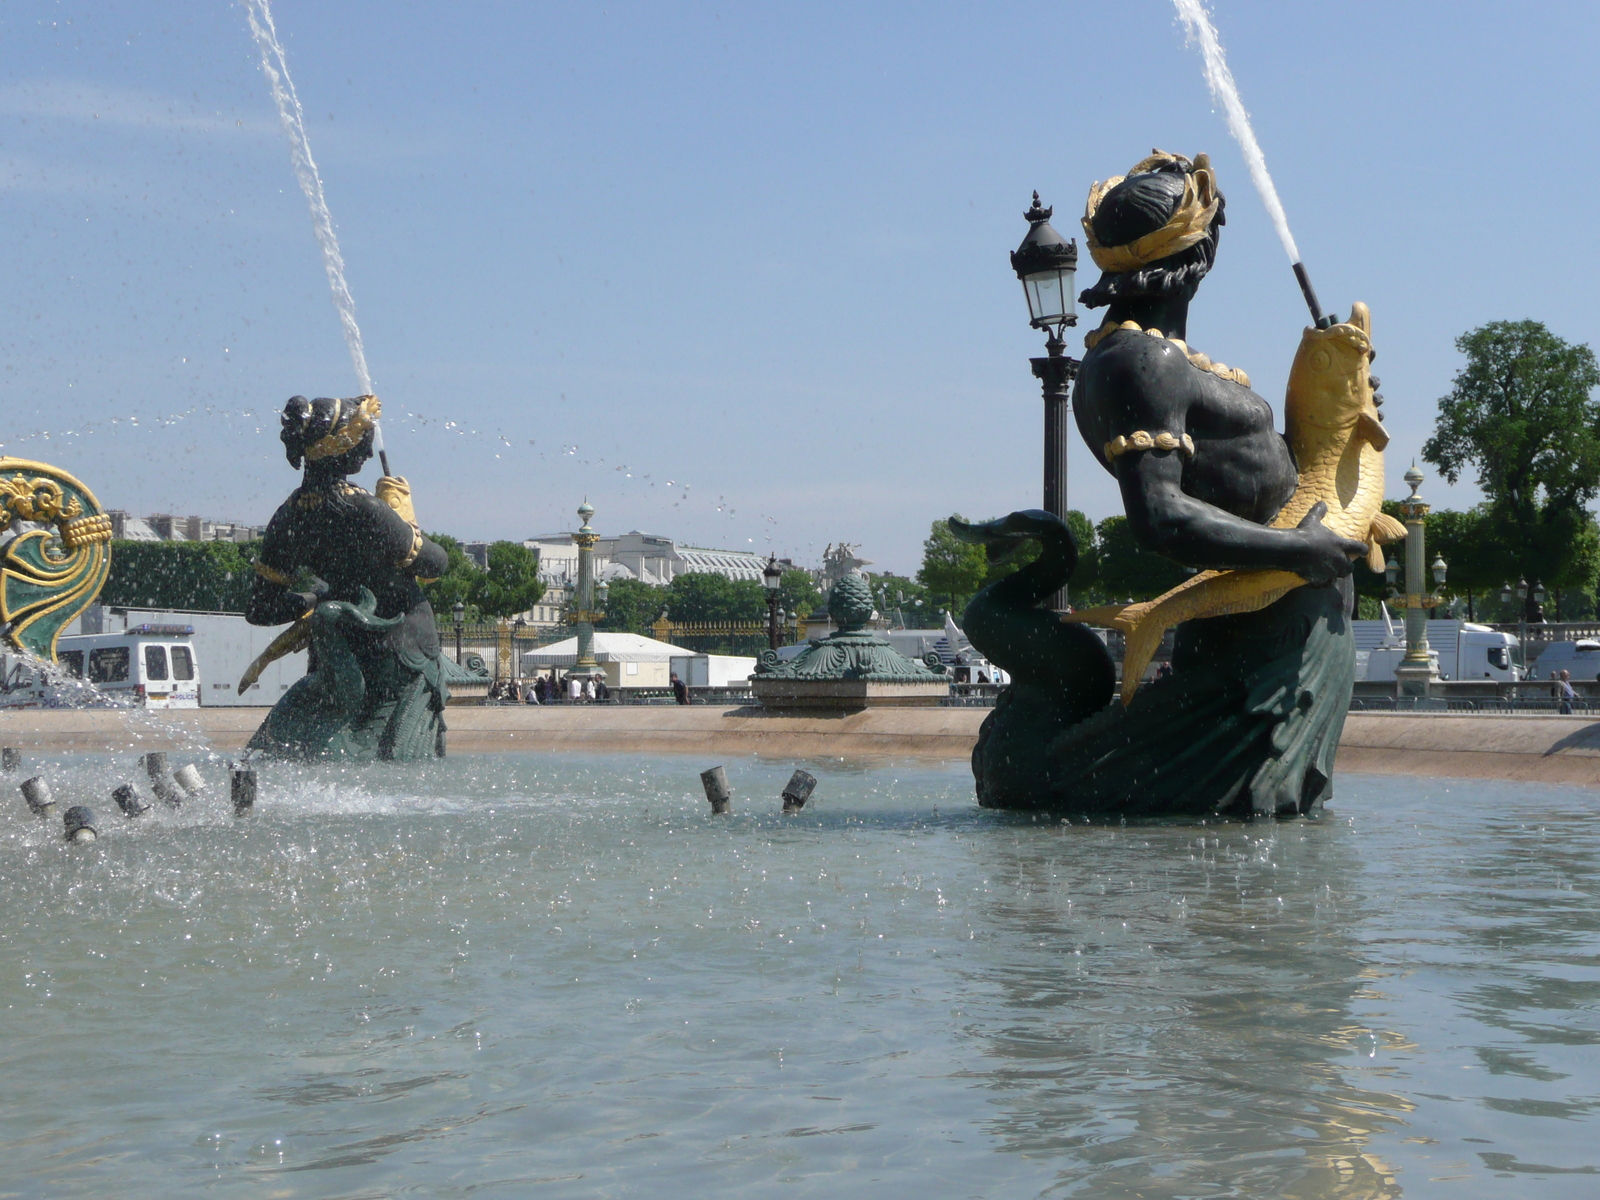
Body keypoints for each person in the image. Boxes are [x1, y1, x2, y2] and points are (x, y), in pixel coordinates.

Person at [956, 150, 1372, 818]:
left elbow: (1251, 476)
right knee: (1237, 834)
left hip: (1270, 629)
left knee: (1256, 834)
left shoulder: (1153, 356)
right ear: (1201, 252)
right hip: (1257, 642)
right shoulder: (1139, 361)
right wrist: (1300, 552)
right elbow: (1161, 516)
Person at [244, 394, 452, 760]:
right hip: (400, 646)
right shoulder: (366, 509)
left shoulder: (288, 517)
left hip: (338, 647)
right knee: (400, 761)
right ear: (343, 447)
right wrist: (404, 514)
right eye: (364, 443)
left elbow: (261, 608)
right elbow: (435, 564)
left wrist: (320, 601)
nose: (369, 455)